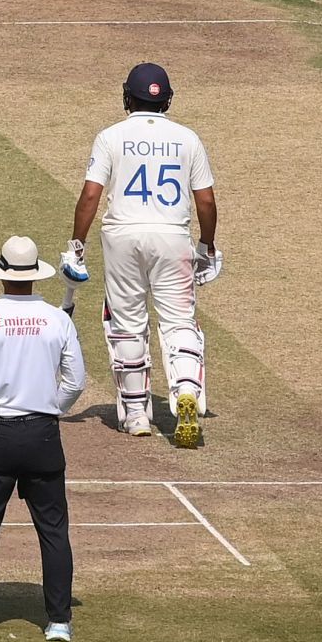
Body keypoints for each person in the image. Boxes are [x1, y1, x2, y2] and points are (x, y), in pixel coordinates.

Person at [62, 62, 221, 448]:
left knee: (127, 323)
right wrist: (206, 246)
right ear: (167, 100)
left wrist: (76, 247)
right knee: (180, 321)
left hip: (123, 236)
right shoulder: (188, 139)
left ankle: (136, 415)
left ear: (126, 97)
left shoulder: (110, 137)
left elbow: (90, 196)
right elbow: (206, 200)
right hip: (173, 236)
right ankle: (185, 389)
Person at [0, 236, 85, 642]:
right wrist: (50, 407)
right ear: (35, 276)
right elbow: (75, 382)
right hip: (43, 435)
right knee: (54, 529)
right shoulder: (57, 320)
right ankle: (59, 621)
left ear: (3, 274)